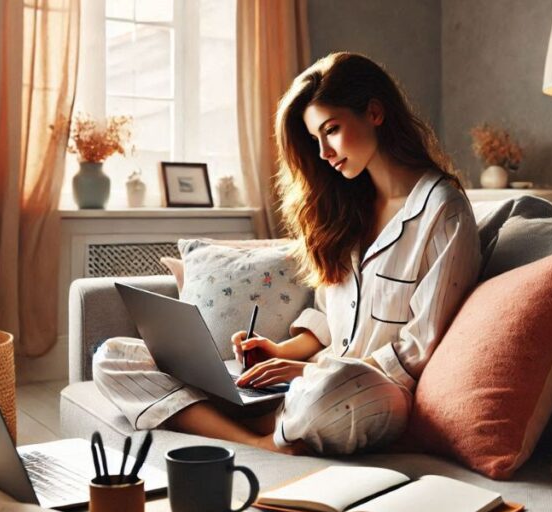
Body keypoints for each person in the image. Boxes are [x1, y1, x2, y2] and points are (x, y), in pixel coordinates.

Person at [93, 52, 480, 455]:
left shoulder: (443, 212)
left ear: (375, 113)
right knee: (113, 357)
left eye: (331, 130)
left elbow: (418, 348)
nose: (324, 152)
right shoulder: (349, 208)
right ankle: (259, 437)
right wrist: (279, 352)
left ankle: (250, 419)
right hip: (311, 385)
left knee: (333, 388)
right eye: (315, 140)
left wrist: (308, 371)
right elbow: (330, 320)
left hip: (370, 392)